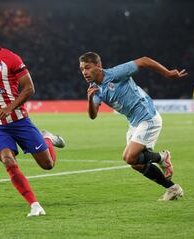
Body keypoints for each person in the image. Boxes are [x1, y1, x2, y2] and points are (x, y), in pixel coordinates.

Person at [0, 22, 65, 216]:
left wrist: (10, 107)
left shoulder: (11, 59)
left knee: (47, 165)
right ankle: (34, 205)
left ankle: (47, 138)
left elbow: (29, 88)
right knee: (7, 159)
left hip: (19, 120)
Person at [79, 52, 187, 201]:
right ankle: (172, 188)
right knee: (135, 163)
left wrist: (167, 73)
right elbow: (93, 115)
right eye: (82, 69)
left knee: (129, 157)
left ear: (98, 66)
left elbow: (143, 61)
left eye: (87, 67)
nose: (84, 72)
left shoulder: (115, 73)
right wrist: (90, 99)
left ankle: (162, 157)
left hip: (148, 117)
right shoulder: (95, 89)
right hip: (134, 124)